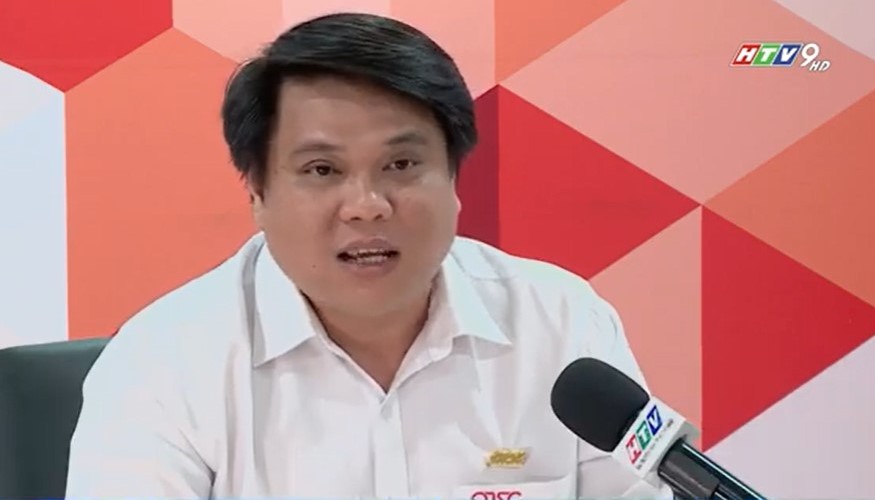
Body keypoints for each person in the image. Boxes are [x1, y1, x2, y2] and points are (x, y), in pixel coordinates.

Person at [64, 12, 671, 499]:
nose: (367, 206)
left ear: (454, 178)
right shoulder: (163, 363)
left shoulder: (563, 323)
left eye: (401, 164)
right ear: (257, 193)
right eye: (322, 170)